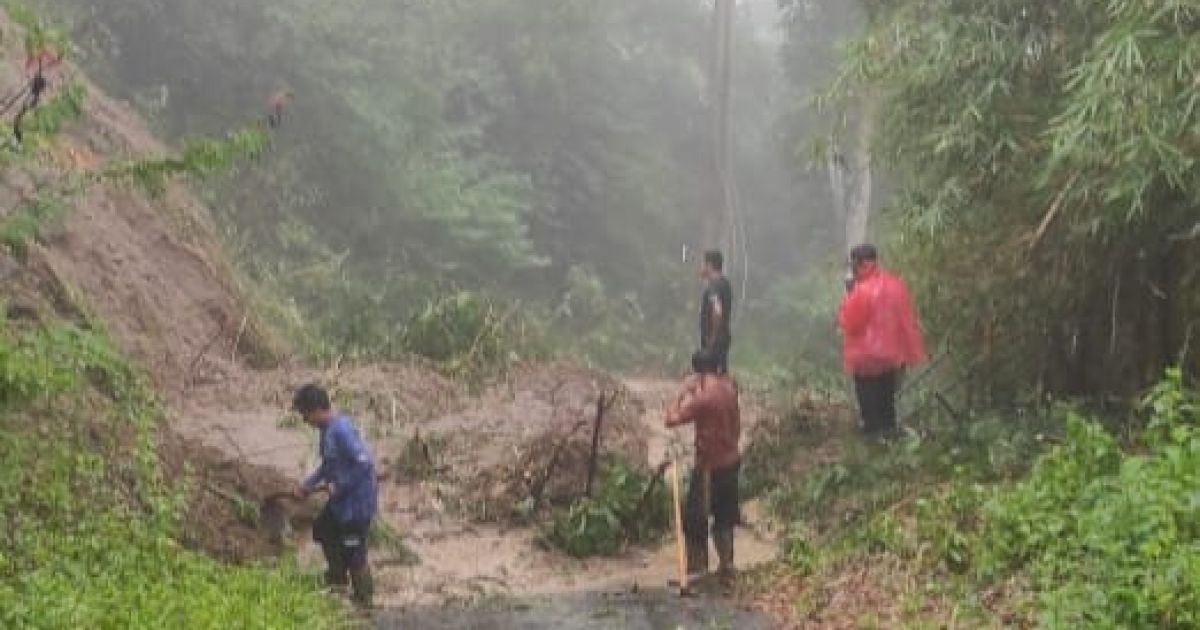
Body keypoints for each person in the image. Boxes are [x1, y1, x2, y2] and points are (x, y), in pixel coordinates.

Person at [292, 384, 379, 608]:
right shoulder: (325, 432)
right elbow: (327, 466)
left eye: (305, 414)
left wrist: (340, 486)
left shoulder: (342, 430)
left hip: (356, 505)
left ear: (316, 409)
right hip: (340, 503)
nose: (305, 420)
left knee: (354, 552)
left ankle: (365, 602)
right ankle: (337, 579)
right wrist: (308, 485)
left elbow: (364, 463)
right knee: (323, 529)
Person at [665, 350, 741, 581]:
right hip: (731, 460)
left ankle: (698, 569)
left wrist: (680, 393)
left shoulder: (703, 399)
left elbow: (671, 419)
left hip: (709, 466)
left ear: (696, 373)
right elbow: (737, 427)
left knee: (695, 518)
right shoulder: (729, 389)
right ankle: (727, 565)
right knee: (725, 515)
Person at [837, 244, 927, 436]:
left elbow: (849, 323)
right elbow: (907, 320)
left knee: (870, 412)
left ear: (859, 265)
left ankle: (874, 445)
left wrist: (850, 294)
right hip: (892, 358)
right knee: (887, 406)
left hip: (866, 360)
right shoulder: (896, 285)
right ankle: (890, 447)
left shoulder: (861, 291)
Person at [699, 250, 733, 373]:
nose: (701, 267)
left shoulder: (713, 286)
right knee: (720, 376)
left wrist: (712, 338)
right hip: (723, 338)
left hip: (714, 341)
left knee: (710, 377)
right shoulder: (725, 283)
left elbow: (717, 311)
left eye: (702, 264)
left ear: (709, 265)